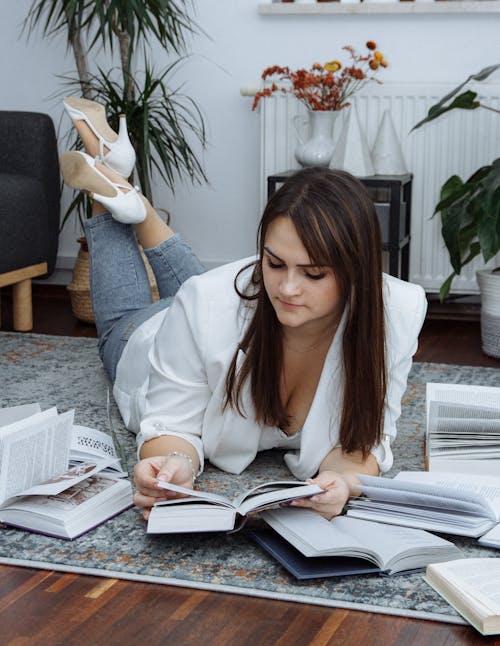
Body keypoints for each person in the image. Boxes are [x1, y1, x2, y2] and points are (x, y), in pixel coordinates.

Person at [60, 98, 427, 522]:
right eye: (273, 263)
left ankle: (128, 190)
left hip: (219, 319)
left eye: (313, 274)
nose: (288, 287)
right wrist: (174, 464)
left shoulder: (395, 311)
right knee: (125, 321)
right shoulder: (210, 301)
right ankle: (106, 199)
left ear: (356, 272)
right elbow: (170, 425)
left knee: (212, 297)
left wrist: (342, 483)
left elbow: (366, 444)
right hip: (149, 341)